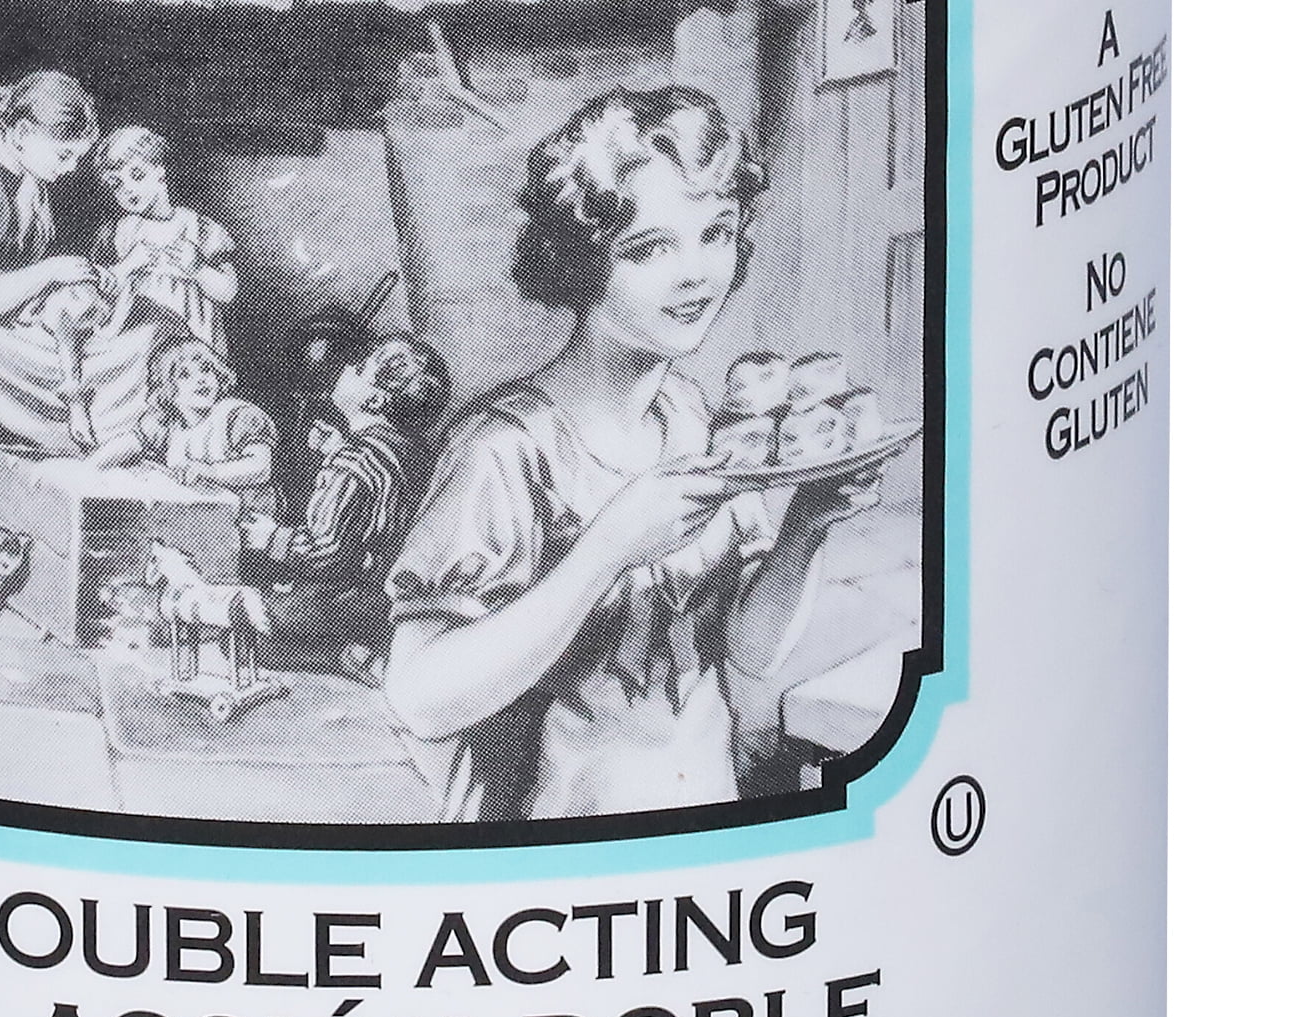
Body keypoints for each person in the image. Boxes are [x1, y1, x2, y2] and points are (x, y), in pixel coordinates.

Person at [384, 88, 867, 821]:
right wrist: (605, 550)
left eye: (717, 233)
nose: (697, 273)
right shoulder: (507, 449)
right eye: (650, 248)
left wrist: (806, 524)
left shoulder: (696, 419)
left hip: (702, 802)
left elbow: (748, 652)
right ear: (581, 260)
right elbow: (419, 699)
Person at [0, 70, 152, 466]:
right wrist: (50, 272)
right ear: (22, 133)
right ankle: (39, 479)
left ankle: (68, 473)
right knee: (89, 376)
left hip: (3, 321)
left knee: (122, 344)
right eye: (64, 155)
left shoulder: (32, 183)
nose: (70, 169)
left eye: (77, 158)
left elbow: (29, 286)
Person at [247, 332, 449, 681]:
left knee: (252, 637)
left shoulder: (352, 464)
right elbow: (381, 488)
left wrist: (271, 538)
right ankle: (362, 647)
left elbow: (327, 550)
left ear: (374, 399)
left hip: (342, 597)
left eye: (358, 369)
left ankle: (342, 655)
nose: (344, 369)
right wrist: (338, 448)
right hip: (385, 596)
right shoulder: (412, 450)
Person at [89, 125, 241, 356]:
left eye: (137, 175)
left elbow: (228, 292)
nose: (127, 188)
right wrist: (128, 265)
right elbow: (98, 290)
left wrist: (198, 268)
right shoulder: (117, 233)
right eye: (116, 183)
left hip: (196, 345)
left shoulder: (201, 228)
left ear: (159, 171)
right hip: (141, 347)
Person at [129, 337, 281, 529]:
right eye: (185, 375)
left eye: (206, 369)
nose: (201, 379)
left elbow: (260, 467)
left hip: (247, 523)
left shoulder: (237, 416)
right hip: (199, 520)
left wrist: (209, 471)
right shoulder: (172, 429)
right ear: (166, 389)